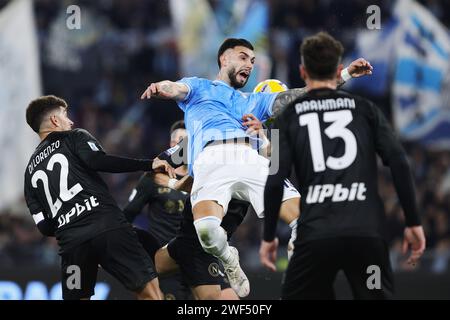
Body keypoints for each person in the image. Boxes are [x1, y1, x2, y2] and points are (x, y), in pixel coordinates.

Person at [141, 38, 373, 297]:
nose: (249, 64)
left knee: (303, 218)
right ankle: (228, 257)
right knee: (205, 232)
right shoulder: (200, 88)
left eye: (252, 61)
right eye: (243, 57)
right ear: (224, 58)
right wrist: (161, 87)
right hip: (210, 160)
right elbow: (175, 88)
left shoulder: (254, 104)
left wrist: (344, 75)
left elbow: (301, 95)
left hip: (246, 157)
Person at [259, 32, 426, 300]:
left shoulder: (287, 119)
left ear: (302, 72)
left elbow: (276, 178)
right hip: (366, 232)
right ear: (338, 69)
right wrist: (414, 222)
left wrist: (268, 237)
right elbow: (398, 162)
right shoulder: (366, 109)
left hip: (316, 234)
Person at [23, 95, 173, 300]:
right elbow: (98, 161)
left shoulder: (29, 174)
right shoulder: (74, 137)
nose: (71, 121)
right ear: (55, 121)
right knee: (151, 294)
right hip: (108, 229)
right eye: (66, 116)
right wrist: (148, 164)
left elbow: (44, 227)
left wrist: (70, 220)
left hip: (72, 247)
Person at [124, 120, 238, 300]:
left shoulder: (205, 176)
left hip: (199, 255)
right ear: (171, 145)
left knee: (229, 299)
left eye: (188, 141)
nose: (183, 146)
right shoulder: (154, 177)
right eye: (179, 141)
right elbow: (128, 214)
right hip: (167, 259)